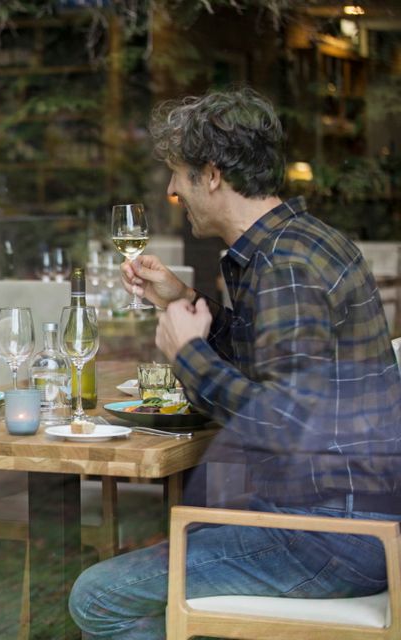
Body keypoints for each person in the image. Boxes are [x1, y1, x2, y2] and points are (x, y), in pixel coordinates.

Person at [70, 88, 401, 639]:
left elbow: (286, 426)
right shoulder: (295, 244)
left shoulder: (285, 266)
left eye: (178, 174)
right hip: (345, 520)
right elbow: (277, 362)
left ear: (213, 174)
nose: (173, 190)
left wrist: (189, 355)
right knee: (153, 566)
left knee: (99, 595)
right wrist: (180, 298)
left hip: (328, 536)